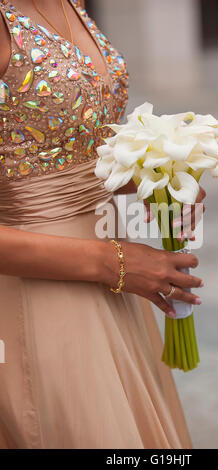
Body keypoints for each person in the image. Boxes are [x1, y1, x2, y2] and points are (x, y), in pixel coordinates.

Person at [0, 0, 206, 448]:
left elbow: (53, 151)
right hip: (42, 291)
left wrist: (157, 174)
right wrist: (108, 262)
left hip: (117, 277)